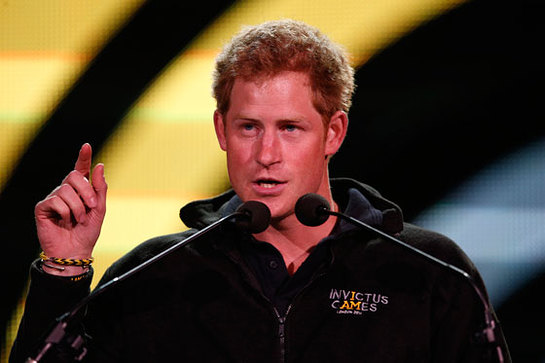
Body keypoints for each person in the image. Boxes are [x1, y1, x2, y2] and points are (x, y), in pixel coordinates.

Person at [10, 19, 510, 362]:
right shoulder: (150, 278)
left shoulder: (429, 274)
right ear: (221, 132)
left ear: (333, 133)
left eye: (290, 128)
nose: (266, 153)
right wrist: (63, 268)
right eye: (249, 127)